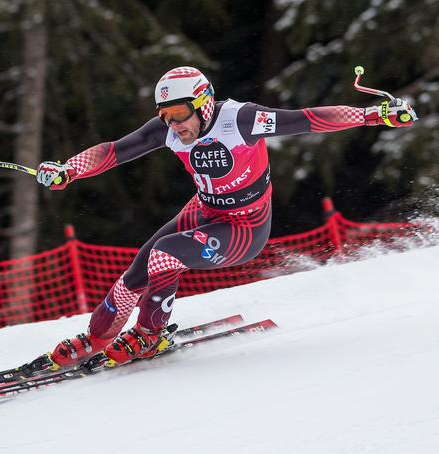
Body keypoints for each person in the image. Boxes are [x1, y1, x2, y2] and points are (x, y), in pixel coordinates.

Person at [35, 66, 417, 368]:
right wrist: (70, 169)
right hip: (205, 211)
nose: (174, 124)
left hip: (245, 228)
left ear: (203, 104)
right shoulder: (168, 131)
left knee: (164, 256)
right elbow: (114, 151)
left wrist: (372, 114)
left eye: (180, 114)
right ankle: (96, 340)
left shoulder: (241, 120)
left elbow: (308, 119)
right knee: (138, 269)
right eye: (165, 116)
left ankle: (150, 336)